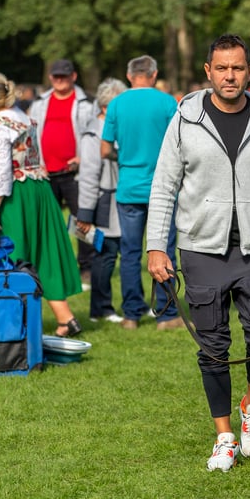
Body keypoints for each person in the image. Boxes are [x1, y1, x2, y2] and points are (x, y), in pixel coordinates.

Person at [147, 34, 250, 472]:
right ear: (208, 71)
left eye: (238, 68)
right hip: (200, 248)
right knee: (213, 346)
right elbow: (163, 186)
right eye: (222, 68)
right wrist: (154, 246)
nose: (230, 76)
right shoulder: (185, 119)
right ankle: (224, 436)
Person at [0, 70, 83, 337]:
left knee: (14, 255)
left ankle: (15, 323)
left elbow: (1, 172)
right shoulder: (23, 117)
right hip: (39, 188)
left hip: (15, 194)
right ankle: (65, 318)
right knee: (43, 252)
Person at [101, 54, 182, 330]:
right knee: (165, 250)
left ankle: (131, 315)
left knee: (130, 252)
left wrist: (124, 158)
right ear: (154, 74)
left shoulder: (116, 103)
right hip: (164, 187)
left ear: (129, 75)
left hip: (129, 186)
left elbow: (104, 149)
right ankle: (167, 314)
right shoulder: (168, 102)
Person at [28, 59, 99, 290]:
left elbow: (94, 133)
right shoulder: (40, 102)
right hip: (46, 173)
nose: (60, 80)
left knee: (83, 221)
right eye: (56, 76)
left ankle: (86, 268)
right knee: (46, 222)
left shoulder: (87, 102)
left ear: (73, 77)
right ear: (50, 78)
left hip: (75, 173)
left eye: (64, 76)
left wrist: (82, 158)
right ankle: (47, 267)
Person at [77, 77, 128, 324]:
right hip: (102, 203)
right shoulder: (93, 133)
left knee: (116, 254)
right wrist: (85, 214)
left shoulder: (115, 127)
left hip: (119, 199)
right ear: (108, 106)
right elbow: (88, 175)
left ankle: (122, 307)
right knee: (104, 257)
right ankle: (101, 309)